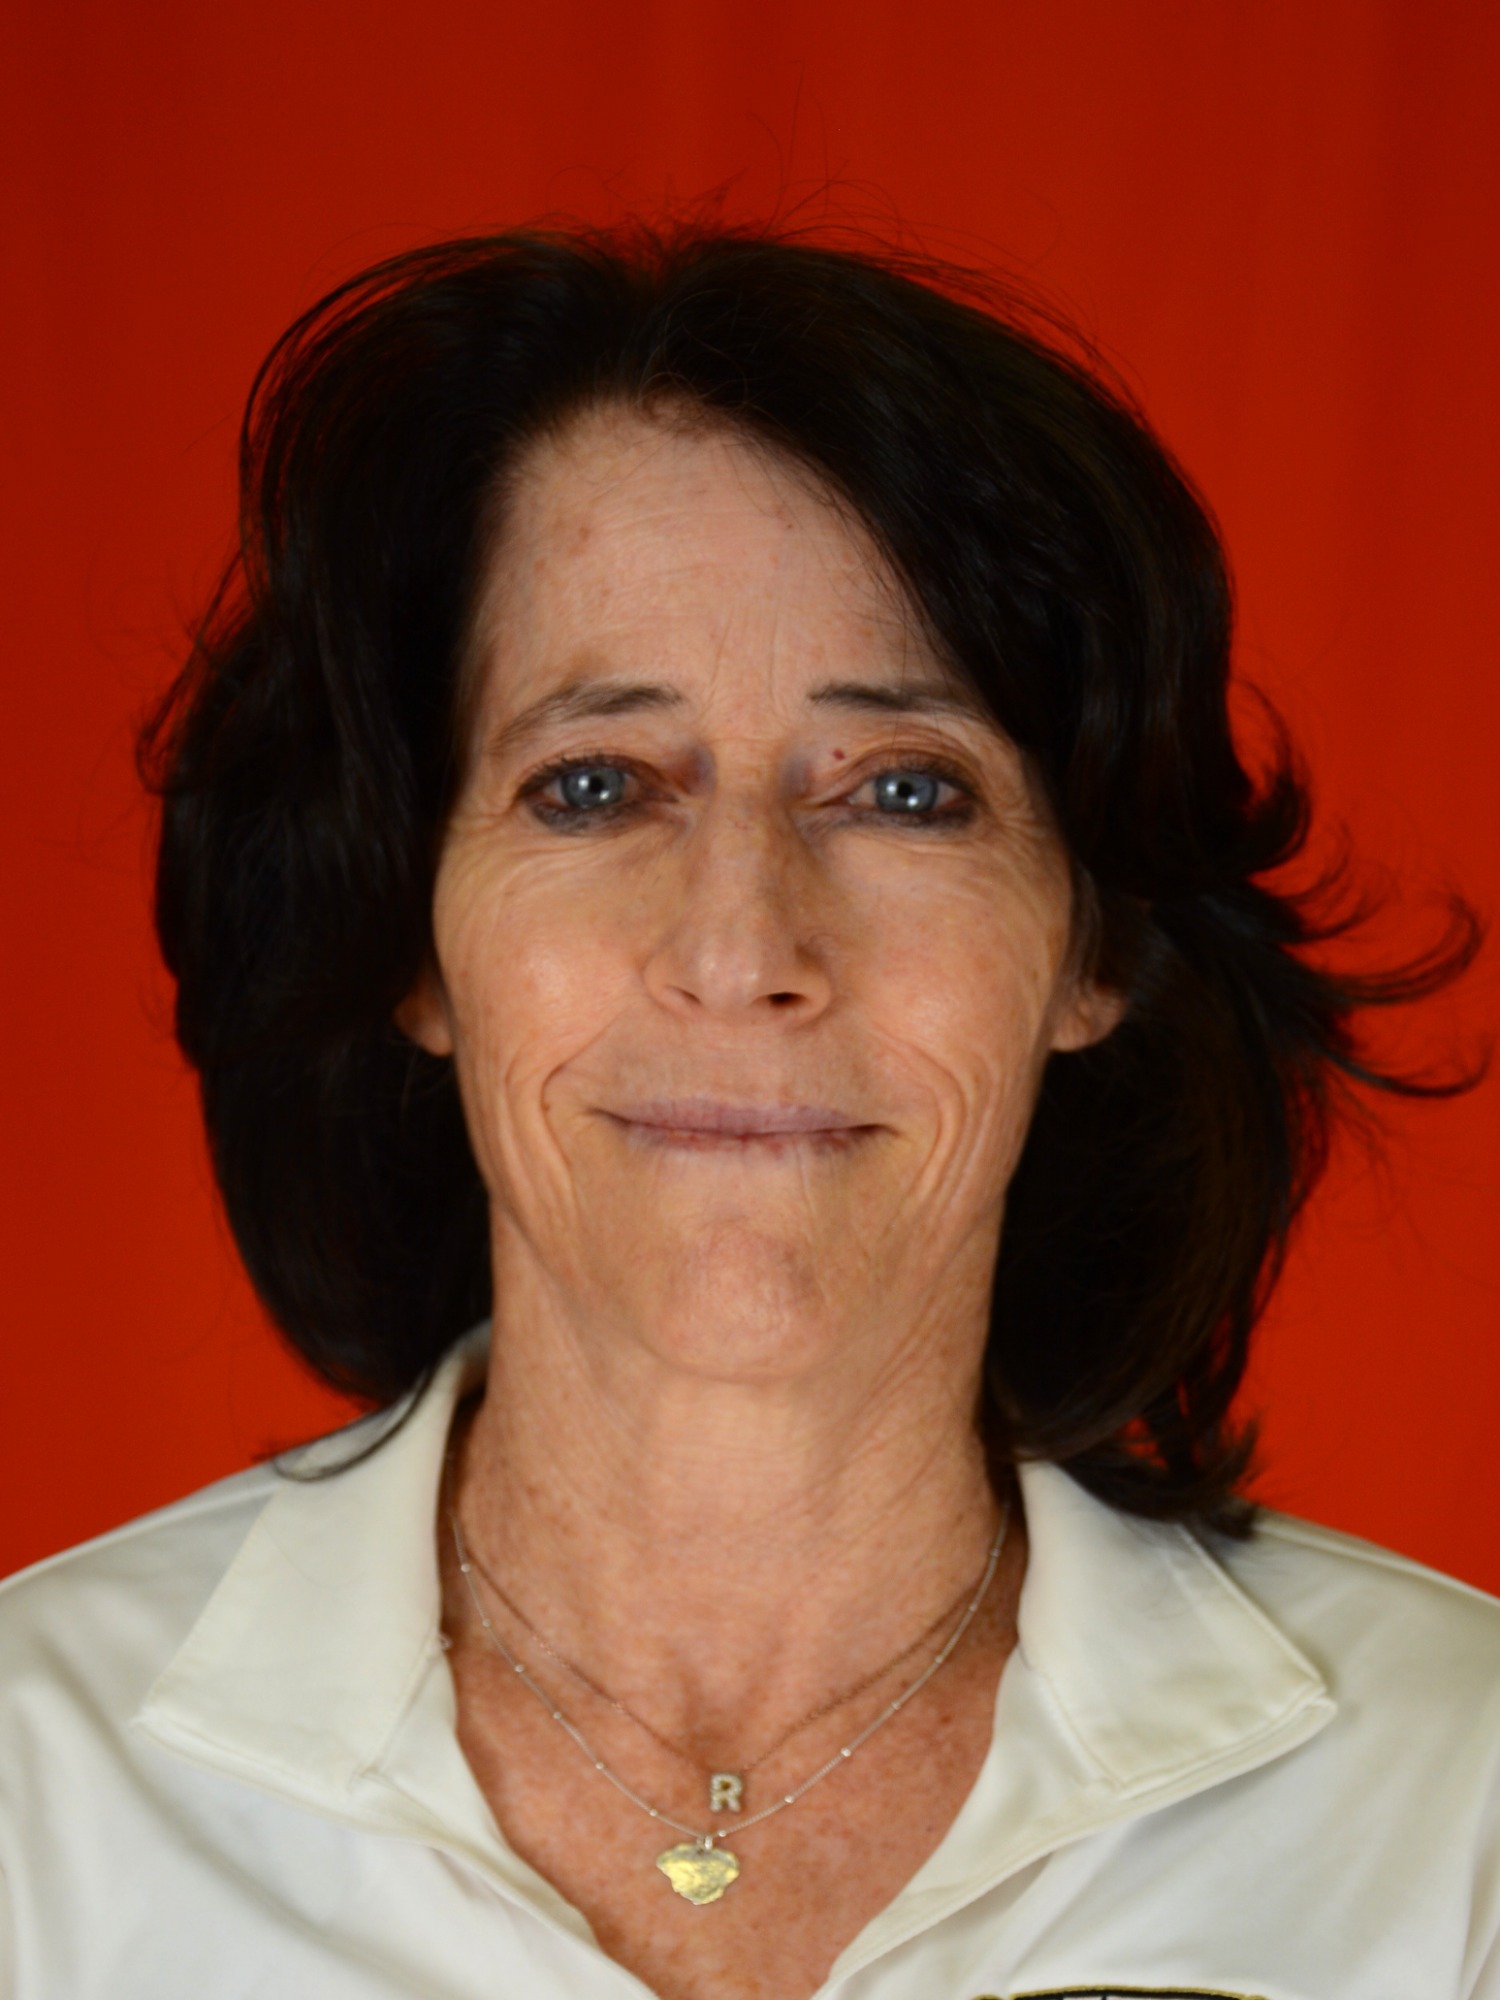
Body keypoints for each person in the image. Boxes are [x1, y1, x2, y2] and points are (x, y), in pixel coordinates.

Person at [0, 221, 1495, 2000]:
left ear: (1094, 944)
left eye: (905, 792)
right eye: (593, 785)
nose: (742, 949)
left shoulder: (1452, 1804)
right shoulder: (37, 1793)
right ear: (412, 938)